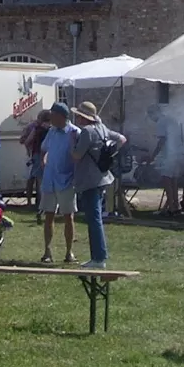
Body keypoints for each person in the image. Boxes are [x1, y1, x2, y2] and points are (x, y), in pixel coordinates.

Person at [70, 101, 126, 269]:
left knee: (94, 219)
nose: (77, 118)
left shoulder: (86, 132)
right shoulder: (102, 128)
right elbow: (122, 139)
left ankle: (99, 258)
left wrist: (72, 143)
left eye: (79, 115)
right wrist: (108, 153)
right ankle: (98, 256)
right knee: (96, 217)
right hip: (102, 177)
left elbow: (76, 156)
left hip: (89, 179)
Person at [38, 103, 79, 265]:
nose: (50, 118)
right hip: (50, 178)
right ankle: (47, 251)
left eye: (53, 115)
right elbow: (43, 148)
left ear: (61, 116)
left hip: (66, 180)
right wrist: (43, 160)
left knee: (69, 216)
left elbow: (79, 156)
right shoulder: (51, 131)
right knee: (49, 215)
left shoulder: (75, 132)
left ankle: (69, 252)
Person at [147, 107, 184, 214]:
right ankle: (175, 206)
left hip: (169, 155)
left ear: (155, 113)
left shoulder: (161, 122)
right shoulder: (172, 119)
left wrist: (153, 156)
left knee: (167, 181)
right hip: (177, 153)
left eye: (151, 116)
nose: (151, 119)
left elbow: (162, 141)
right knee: (174, 181)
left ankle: (172, 209)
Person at [19, 113, 51, 218]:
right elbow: (26, 141)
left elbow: (27, 142)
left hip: (37, 155)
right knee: (39, 181)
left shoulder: (37, 129)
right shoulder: (46, 129)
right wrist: (30, 152)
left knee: (39, 180)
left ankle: (40, 204)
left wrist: (30, 152)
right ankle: (41, 205)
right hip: (40, 155)